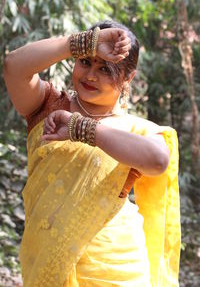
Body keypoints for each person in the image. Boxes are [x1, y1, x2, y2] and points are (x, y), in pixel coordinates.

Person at [3, 20, 181, 287]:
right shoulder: (48, 105)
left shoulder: (134, 130)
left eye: (105, 69)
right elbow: (13, 67)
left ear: (128, 77)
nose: (90, 76)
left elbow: (158, 160)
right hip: (45, 261)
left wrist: (82, 128)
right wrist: (82, 42)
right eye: (85, 62)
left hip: (114, 269)